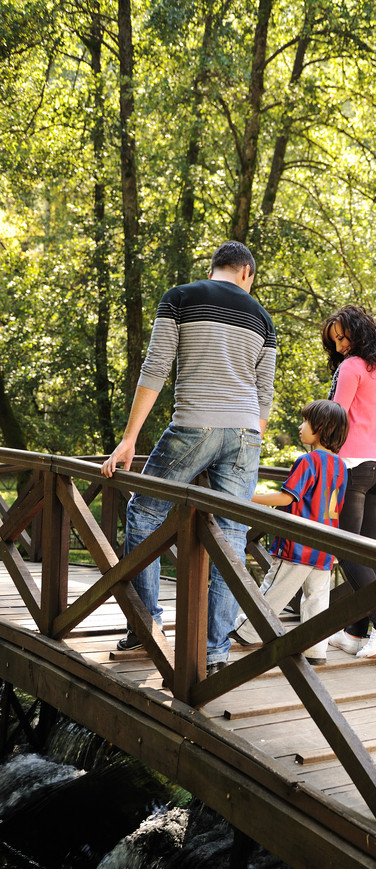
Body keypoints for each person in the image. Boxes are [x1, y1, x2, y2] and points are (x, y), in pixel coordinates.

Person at [101, 240, 276, 675]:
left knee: (144, 512)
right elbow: (264, 395)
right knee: (231, 538)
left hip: (193, 426)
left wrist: (129, 440)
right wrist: (249, 438)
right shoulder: (264, 320)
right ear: (247, 273)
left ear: (214, 268)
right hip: (246, 435)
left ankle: (146, 629)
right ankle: (214, 653)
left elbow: (156, 367)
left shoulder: (180, 297)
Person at [232, 400, 348, 665]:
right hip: (325, 544)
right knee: (317, 599)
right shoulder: (340, 467)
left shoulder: (308, 461)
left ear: (321, 428)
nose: (300, 426)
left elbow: (287, 498)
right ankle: (316, 650)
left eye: (305, 421)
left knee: (274, 589)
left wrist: (249, 497)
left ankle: (248, 631)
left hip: (299, 545)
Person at [321, 304, 376, 660]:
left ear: (359, 331)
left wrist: (322, 459)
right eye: (335, 341)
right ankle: (356, 633)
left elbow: (335, 418)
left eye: (343, 337)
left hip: (352, 468)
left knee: (348, 549)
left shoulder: (351, 367)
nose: (340, 346)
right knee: (365, 552)